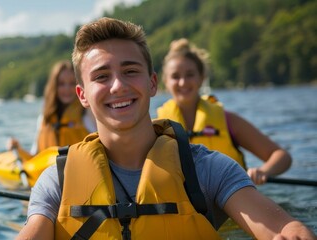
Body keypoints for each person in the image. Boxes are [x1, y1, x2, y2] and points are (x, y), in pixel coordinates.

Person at [16, 17, 315, 239]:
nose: (118, 86)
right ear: (82, 95)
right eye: (102, 76)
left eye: (130, 71)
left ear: (152, 83)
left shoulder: (208, 170)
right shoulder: (57, 182)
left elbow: (283, 227)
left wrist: (293, 233)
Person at [157, 38, 292, 185]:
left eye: (190, 74)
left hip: (231, 199)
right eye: (175, 76)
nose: (183, 82)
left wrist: (263, 171)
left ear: (202, 78)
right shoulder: (155, 128)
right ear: (165, 81)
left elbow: (281, 156)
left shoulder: (228, 121)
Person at [7, 60, 96, 160]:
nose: (67, 89)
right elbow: (35, 157)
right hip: (49, 172)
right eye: (61, 84)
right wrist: (18, 150)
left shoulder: (88, 113)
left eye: (72, 83)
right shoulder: (44, 119)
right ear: (54, 86)